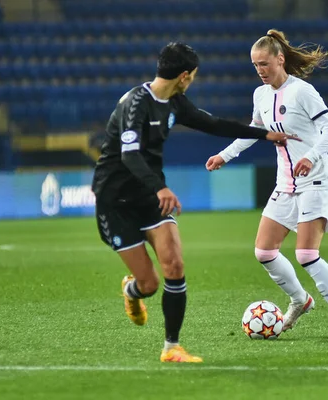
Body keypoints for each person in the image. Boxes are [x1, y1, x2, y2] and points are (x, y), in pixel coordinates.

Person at [92, 42, 297, 363]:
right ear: (184, 75)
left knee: (174, 264)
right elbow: (130, 155)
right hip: (115, 202)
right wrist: (161, 188)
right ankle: (132, 291)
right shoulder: (135, 104)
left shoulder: (174, 102)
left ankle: (171, 347)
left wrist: (264, 134)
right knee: (149, 284)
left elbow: (212, 123)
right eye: (194, 76)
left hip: (149, 196)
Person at [205, 29, 328, 339]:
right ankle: (300, 300)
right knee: (264, 251)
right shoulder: (260, 95)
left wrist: (312, 157)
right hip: (285, 183)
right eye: (255, 65)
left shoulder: (302, 91)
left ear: (280, 59)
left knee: (306, 254)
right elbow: (254, 130)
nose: (260, 70)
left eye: (264, 63)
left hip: (315, 180)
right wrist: (224, 155)